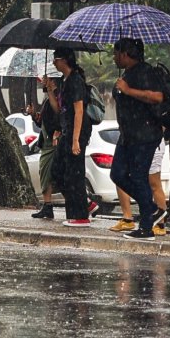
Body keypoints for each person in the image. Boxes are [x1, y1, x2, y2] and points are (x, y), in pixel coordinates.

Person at [109, 37, 167, 239]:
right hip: (128, 135)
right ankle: (151, 208)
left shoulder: (145, 72)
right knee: (117, 173)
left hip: (145, 134)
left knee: (140, 176)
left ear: (125, 54)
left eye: (116, 53)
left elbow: (157, 97)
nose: (114, 58)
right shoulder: (127, 74)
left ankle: (146, 227)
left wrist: (127, 91)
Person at [51, 48, 95, 227]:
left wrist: (76, 140)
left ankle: (80, 215)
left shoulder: (76, 80)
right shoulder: (64, 81)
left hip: (77, 132)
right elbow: (60, 109)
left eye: (56, 59)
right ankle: (84, 204)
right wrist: (50, 91)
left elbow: (79, 111)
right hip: (67, 131)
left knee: (74, 173)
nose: (54, 63)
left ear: (65, 60)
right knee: (58, 171)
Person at [30, 80, 61, 220]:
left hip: (52, 142)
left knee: (56, 174)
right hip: (47, 141)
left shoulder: (58, 97)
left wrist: (58, 131)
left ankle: (87, 203)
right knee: (47, 174)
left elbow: (60, 115)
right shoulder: (48, 100)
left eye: (45, 80)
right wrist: (33, 114)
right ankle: (47, 206)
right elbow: (43, 121)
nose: (42, 82)